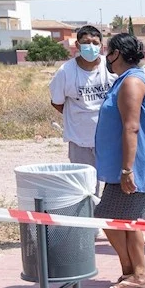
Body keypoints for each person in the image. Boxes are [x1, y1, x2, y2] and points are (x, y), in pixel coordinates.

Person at [94, 33, 145, 288]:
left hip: (132, 164)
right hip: (124, 164)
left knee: (111, 217)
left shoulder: (131, 82)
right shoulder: (124, 80)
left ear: (117, 54)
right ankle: (132, 270)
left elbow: (131, 127)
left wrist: (126, 169)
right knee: (126, 219)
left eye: (108, 51)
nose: (105, 57)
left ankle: (138, 271)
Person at [49, 25, 115, 178]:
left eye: (95, 43)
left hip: (110, 138)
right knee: (85, 186)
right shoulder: (65, 71)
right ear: (77, 45)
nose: (91, 46)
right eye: (86, 42)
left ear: (101, 46)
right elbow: (57, 102)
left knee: (113, 184)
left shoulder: (111, 67)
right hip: (80, 141)